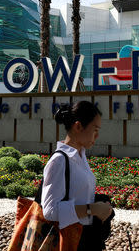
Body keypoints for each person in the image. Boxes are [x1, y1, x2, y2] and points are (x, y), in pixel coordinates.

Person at [41, 101, 114, 251]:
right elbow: (49, 211)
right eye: (95, 129)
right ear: (78, 126)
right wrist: (92, 209)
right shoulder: (59, 160)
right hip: (70, 240)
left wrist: (99, 206)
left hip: (85, 236)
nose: (97, 135)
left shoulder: (80, 155)